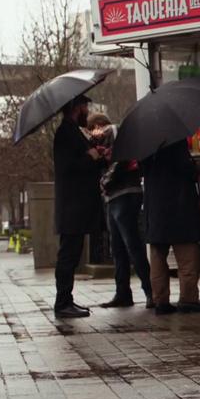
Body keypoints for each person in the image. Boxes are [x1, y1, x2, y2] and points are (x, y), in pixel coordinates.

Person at [90, 114, 153, 309]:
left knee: (130, 245)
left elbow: (119, 161)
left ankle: (149, 291)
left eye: (93, 128)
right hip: (117, 196)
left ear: (99, 125)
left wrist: (104, 182)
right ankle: (124, 292)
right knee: (119, 247)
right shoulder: (113, 136)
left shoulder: (112, 131)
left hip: (122, 194)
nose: (93, 133)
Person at [142, 139, 200, 315]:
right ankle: (188, 299)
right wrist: (194, 167)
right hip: (179, 207)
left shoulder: (145, 144)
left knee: (157, 257)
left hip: (155, 208)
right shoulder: (175, 140)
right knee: (187, 257)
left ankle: (161, 300)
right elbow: (185, 169)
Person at [53, 95, 106, 319]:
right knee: (68, 255)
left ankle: (67, 300)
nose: (87, 110)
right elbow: (68, 168)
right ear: (76, 107)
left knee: (72, 255)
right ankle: (62, 302)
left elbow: (85, 163)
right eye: (85, 106)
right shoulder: (65, 133)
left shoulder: (75, 131)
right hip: (71, 206)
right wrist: (90, 156)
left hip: (78, 206)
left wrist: (99, 157)